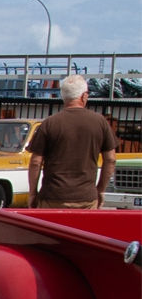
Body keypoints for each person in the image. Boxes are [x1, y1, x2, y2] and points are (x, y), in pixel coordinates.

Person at [27, 74, 117, 209]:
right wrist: (100, 190)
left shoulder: (49, 123)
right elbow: (110, 159)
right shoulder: (100, 122)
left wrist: (33, 193)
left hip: (52, 197)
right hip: (86, 198)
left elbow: (35, 162)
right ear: (84, 96)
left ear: (63, 97)